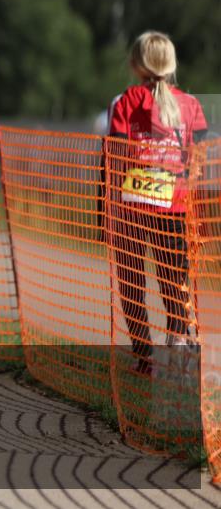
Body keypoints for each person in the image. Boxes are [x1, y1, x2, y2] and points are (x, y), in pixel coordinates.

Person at [105, 31, 207, 375]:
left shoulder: (125, 101)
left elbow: (116, 156)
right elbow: (197, 159)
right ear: (172, 64)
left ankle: (145, 359)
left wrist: (108, 207)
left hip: (132, 207)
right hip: (175, 207)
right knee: (174, 283)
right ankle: (177, 352)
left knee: (132, 285)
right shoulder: (191, 105)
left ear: (136, 64)